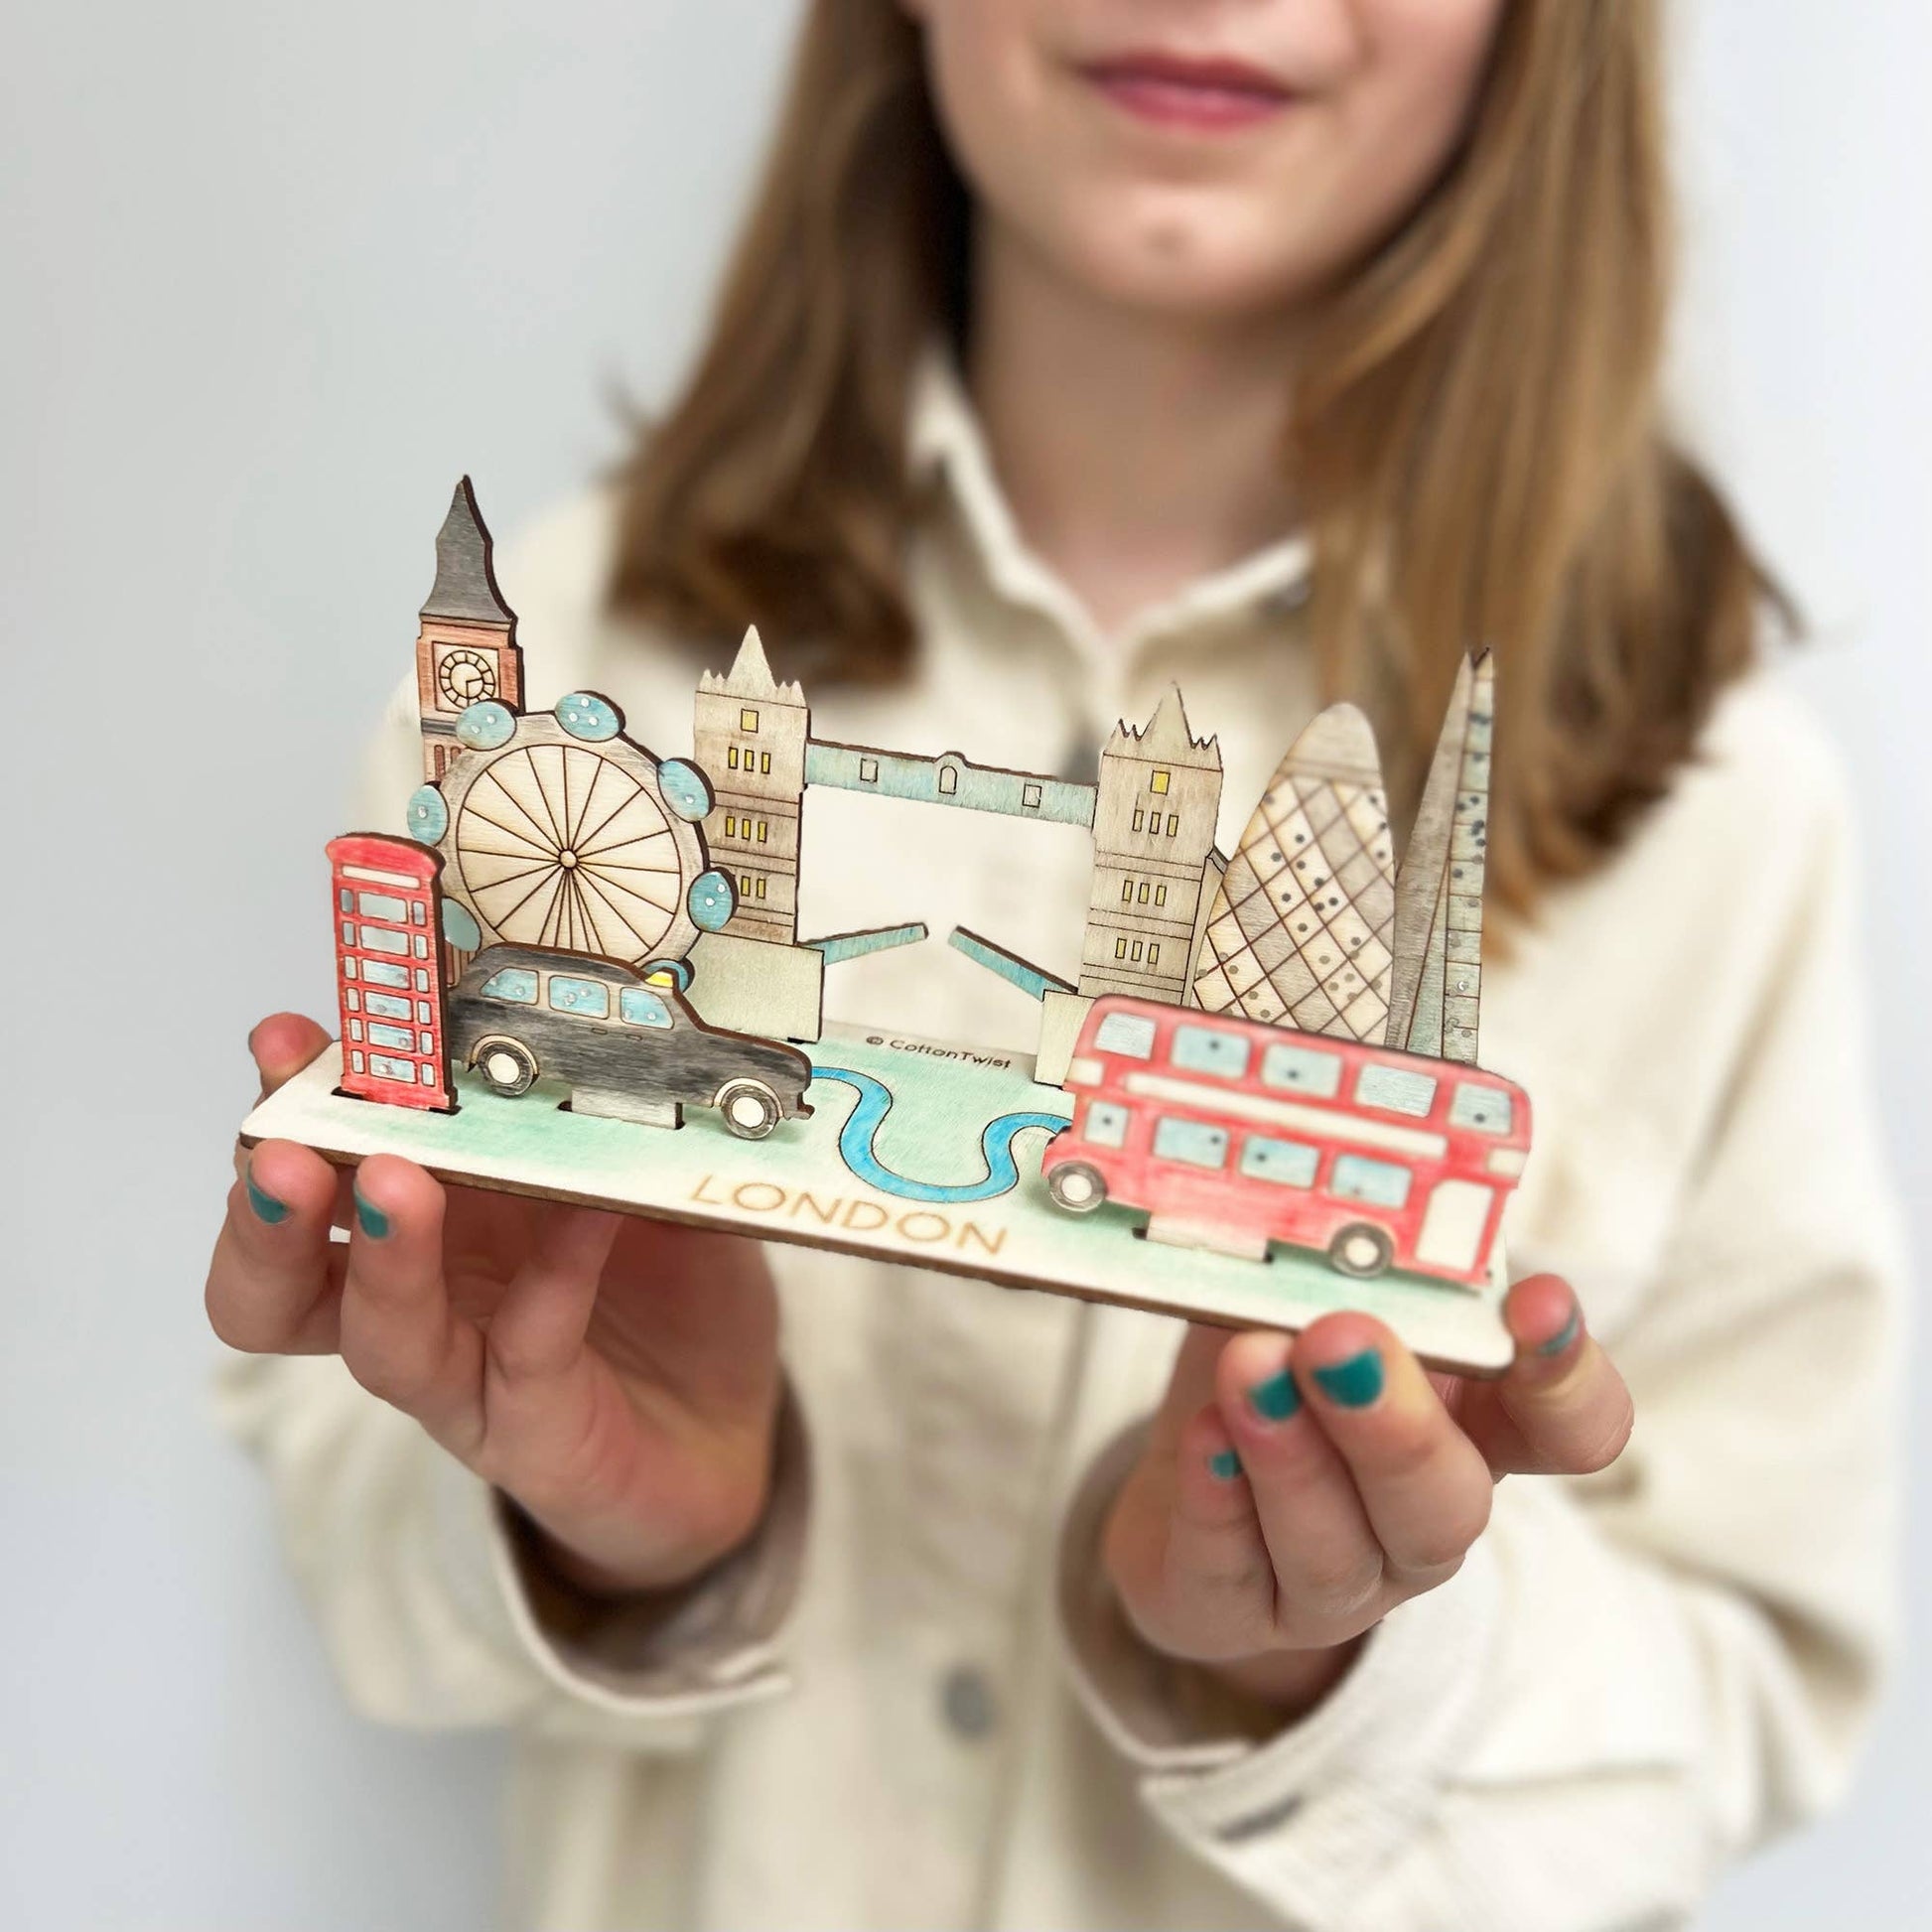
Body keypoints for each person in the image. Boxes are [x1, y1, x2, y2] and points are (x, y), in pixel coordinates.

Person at [207, 3, 1904, 1926]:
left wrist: (1315, 1668)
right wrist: (594, 1533)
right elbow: (342, 1527)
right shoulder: (561, 653)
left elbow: (1761, 1675)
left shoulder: (1723, 802)